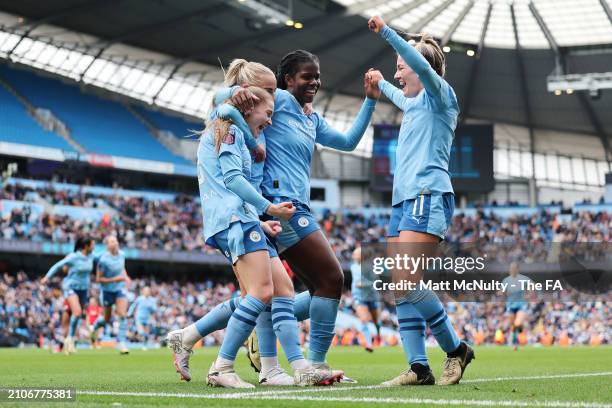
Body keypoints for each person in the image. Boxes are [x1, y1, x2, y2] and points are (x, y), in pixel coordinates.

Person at [218, 50, 380, 378]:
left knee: (293, 292)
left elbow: (348, 142)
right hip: (280, 207)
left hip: (296, 208)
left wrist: (370, 101)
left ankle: (259, 326)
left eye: (317, 76)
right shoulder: (275, 102)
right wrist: (235, 94)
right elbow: (221, 98)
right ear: (287, 79)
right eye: (307, 76)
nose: (315, 82)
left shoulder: (312, 118)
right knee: (331, 278)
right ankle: (314, 364)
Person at [367, 15, 474, 386]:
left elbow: (414, 64)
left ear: (420, 68)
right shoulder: (413, 104)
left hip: (428, 196)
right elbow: (394, 91)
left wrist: (387, 34)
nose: (399, 75)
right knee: (400, 286)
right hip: (402, 203)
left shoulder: (441, 95)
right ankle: (418, 367)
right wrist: (379, 82)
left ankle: (456, 349)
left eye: (401, 69)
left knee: (410, 282)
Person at [41, 236, 95, 354]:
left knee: (72, 315)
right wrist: (47, 277)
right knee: (76, 313)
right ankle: (68, 341)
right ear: (86, 246)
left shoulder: (91, 256)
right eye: (92, 244)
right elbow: (58, 266)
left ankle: (65, 342)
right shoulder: (73, 257)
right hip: (71, 288)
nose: (94, 246)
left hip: (84, 291)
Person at [91, 235, 131, 354]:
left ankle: (121, 342)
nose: (115, 243)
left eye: (116, 241)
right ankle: (95, 327)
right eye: (112, 242)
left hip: (120, 289)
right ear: (107, 245)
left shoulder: (122, 254)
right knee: (107, 319)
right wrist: (115, 279)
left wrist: (126, 277)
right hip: (107, 291)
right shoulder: (103, 260)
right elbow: (98, 279)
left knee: (123, 314)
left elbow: (122, 268)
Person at [350, 247, 381, 352]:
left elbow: (376, 281)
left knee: (376, 321)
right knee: (363, 320)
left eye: (356, 254)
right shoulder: (353, 266)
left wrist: (364, 284)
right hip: (358, 296)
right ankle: (369, 344)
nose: (353, 256)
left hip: (371, 296)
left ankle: (378, 334)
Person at [502, 262, 530, 350]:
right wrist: (501, 293)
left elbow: (532, 286)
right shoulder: (506, 280)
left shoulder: (524, 279)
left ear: (517, 269)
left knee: (517, 323)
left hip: (521, 304)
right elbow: (503, 292)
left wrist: (528, 295)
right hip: (510, 305)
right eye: (511, 268)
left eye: (514, 268)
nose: (512, 270)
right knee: (513, 325)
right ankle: (514, 343)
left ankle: (520, 327)